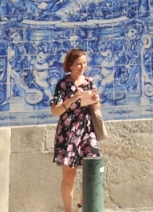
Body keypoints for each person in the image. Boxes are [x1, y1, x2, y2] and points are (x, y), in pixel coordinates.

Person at [51, 49, 101, 212]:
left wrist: (95, 101)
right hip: (68, 132)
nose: (82, 67)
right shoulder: (63, 85)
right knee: (69, 175)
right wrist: (73, 98)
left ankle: (82, 203)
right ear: (70, 65)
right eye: (79, 64)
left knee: (93, 169)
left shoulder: (89, 82)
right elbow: (55, 111)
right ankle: (68, 210)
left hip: (87, 130)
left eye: (85, 63)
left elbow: (95, 108)